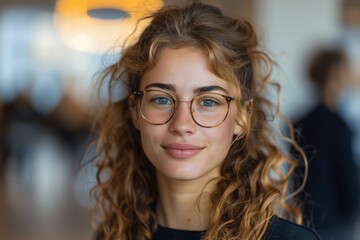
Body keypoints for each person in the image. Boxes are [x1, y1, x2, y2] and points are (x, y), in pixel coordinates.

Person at [90, 2, 322, 239]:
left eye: (208, 102)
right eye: (161, 99)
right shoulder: (111, 235)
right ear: (134, 111)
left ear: (243, 116)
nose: (181, 125)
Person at [293, 47, 360, 239]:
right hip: (336, 222)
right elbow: (347, 180)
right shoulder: (338, 125)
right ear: (334, 74)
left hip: (305, 218)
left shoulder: (299, 122)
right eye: (346, 69)